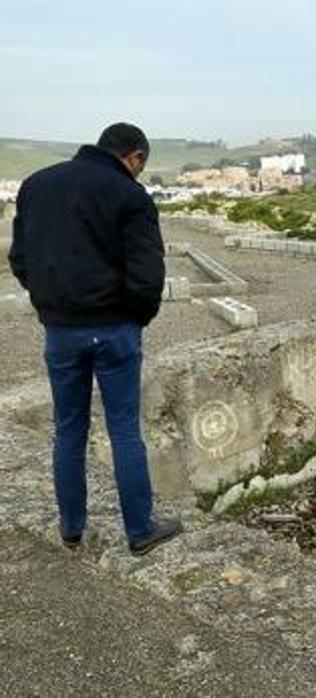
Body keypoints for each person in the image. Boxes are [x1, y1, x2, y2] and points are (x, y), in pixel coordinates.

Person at [7, 123, 182, 556]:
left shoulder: (36, 186)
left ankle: (71, 528)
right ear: (135, 157)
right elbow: (148, 274)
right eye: (141, 166)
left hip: (61, 332)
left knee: (68, 430)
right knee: (124, 431)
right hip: (115, 330)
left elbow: (20, 258)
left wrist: (50, 306)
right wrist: (134, 319)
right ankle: (140, 531)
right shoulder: (129, 195)